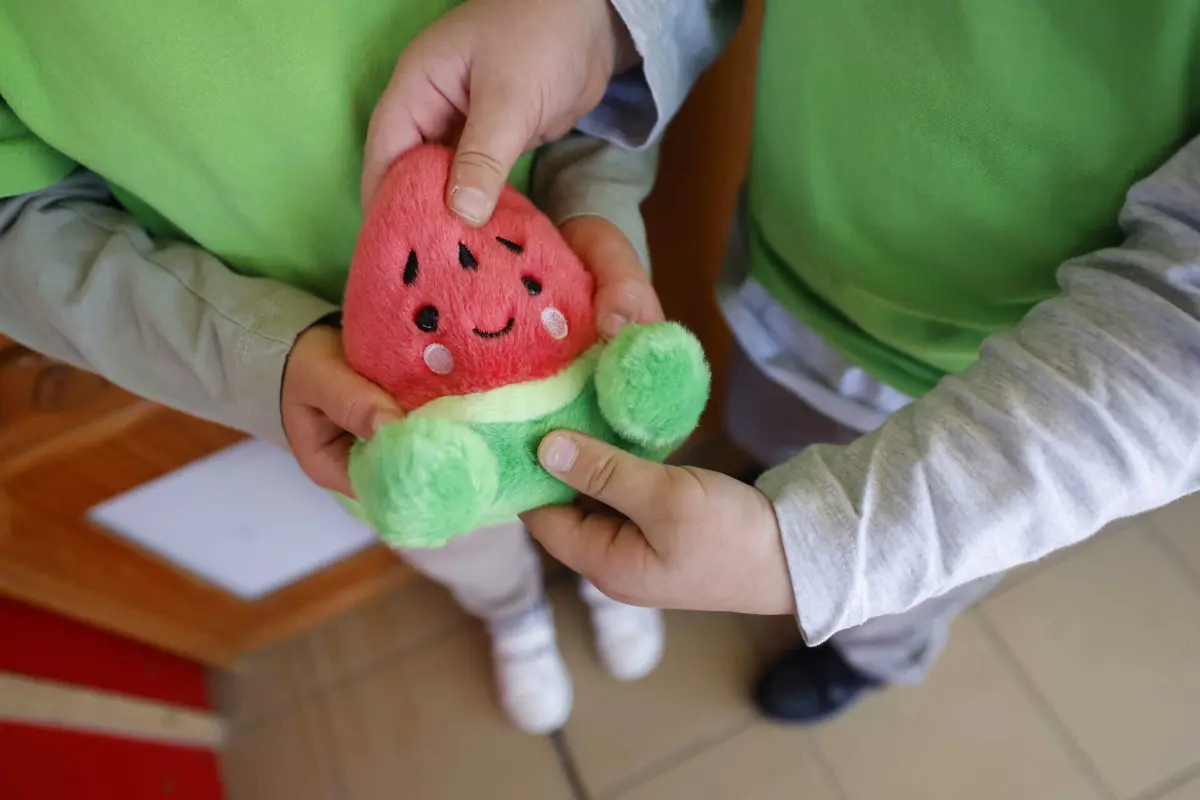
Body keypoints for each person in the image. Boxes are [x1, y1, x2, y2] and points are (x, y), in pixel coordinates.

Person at [0, 0, 729, 733]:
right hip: (360, 404)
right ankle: (512, 610)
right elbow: (19, 225)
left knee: (608, 488)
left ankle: (608, 578)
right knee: (458, 543)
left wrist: (593, 108)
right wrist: (261, 356)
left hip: (575, 312)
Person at [507, 0, 1199, 725]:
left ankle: (865, 658)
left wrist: (823, 554)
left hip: (996, 396)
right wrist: (607, 24)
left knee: (904, 592)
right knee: (770, 428)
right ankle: (784, 495)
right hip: (788, 274)